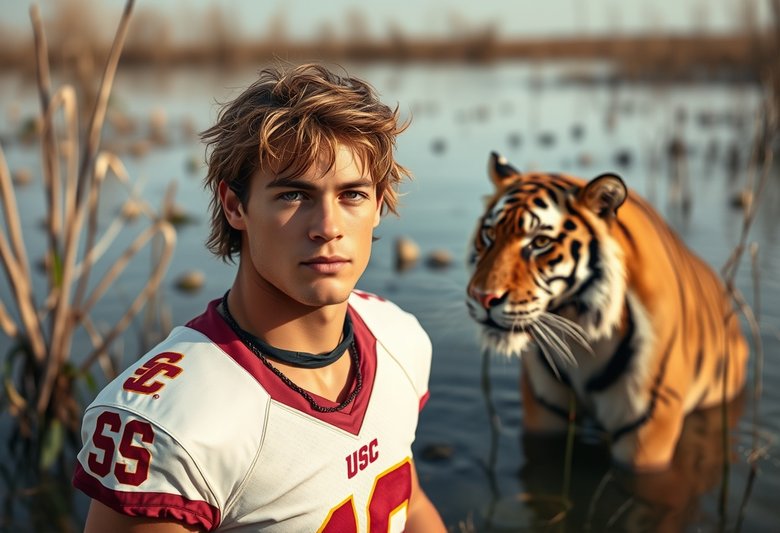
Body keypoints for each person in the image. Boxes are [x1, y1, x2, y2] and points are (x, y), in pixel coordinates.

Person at [73, 63, 446, 532]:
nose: (328, 227)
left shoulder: (397, 337)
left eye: (352, 194)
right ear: (235, 205)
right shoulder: (173, 422)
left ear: (379, 204)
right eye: (294, 195)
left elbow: (408, 505)